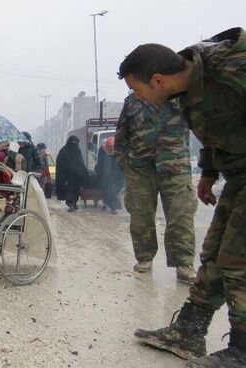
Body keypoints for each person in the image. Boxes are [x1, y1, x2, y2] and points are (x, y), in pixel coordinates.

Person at [119, 28, 246, 366]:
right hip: (238, 174)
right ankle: (189, 331)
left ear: (157, 80)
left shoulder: (230, 69)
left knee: (238, 260)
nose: (136, 98)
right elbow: (219, 131)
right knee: (216, 252)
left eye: (137, 89)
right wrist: (208, 172)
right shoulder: (188, 89)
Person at [114, 94, 197, 282]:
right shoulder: (133, 101)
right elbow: (121, 137)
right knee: (140, 215)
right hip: (140, 169)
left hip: (175, 166)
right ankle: (144, 258)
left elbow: (203, 127)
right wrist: (125, 164)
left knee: (181, 215)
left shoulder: (182, 96)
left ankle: (184, 263)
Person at [55, 136, 87, 212]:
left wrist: (83, 173)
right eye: (72, 143)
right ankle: (70, 204)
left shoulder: (77, 151)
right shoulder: (63, 151)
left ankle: (74, 203)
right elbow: (59, 163)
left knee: (76, 191)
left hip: (76, 176)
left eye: (76, 143)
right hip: (67, 177)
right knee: (69, 191)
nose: (74, 145)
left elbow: (81, 162)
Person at [94, 137, 123, 215]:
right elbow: (99, 162)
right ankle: (112, 207)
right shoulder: (102, 150)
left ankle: (108, 204)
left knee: (114, 190)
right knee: (107, 190)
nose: (111, 148)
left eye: (113, 147)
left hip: (115, 174)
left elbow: (120, 162)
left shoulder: (118, 151)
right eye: (109, 147)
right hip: (105, 175)